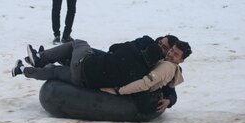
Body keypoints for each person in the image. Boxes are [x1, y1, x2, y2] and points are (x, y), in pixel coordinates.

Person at [12, 39, 164, 90]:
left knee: (78, 43)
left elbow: (112, 48)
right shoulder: (141, 73)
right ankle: (22, 69)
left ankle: (39, 58)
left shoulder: (131, 50)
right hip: (86, 82)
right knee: (55, 72)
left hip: (85, 65)